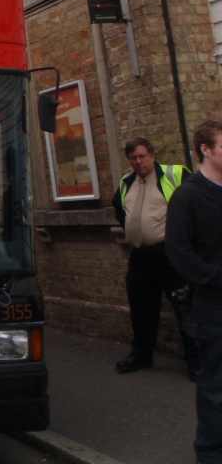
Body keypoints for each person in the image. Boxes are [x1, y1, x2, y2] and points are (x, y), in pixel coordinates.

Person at [112, 136, 195, 375]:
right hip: (140, 256)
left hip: (169, 254)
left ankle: (196, 361)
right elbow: (119, 207)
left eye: (142, 156)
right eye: (133, 158)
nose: (138, 162)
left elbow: (193, 206)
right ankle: (141, 355)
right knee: (141, 308)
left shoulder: (174, 175)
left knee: (183, 308)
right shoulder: (127, 182)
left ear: (152, 156)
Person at [167, 121, 222, 464]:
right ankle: (211, 454)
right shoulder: (187, 194)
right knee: (216, 388)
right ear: (206, 149)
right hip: (214, 308)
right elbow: (178, 250)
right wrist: (215, 278)